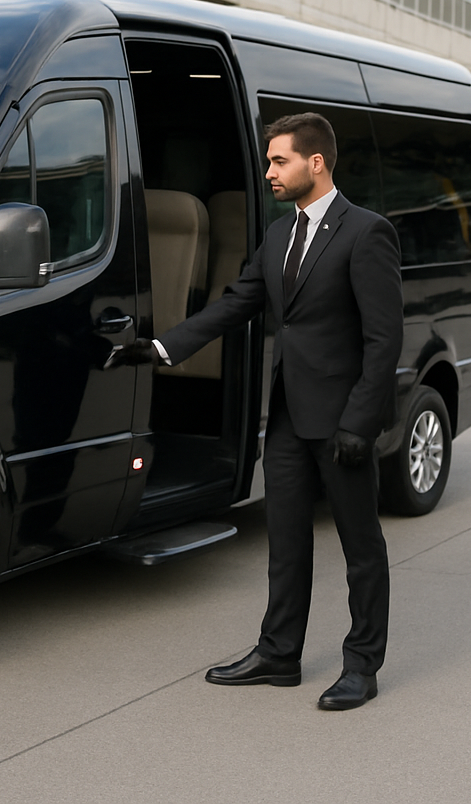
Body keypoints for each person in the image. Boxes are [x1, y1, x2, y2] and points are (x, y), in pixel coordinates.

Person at [107, 112, 403, 710]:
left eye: (279, 160)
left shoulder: (366, 233)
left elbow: (384, 340)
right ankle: (279, 655)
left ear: (315, 163)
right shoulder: (277, 235)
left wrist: (359, 423)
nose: (268, 171)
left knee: (360, 548)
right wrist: (161, 346)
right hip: (290, 418)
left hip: (342, 422)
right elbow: (235, 304)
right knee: (286, 543)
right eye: (269, 160)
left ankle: (362, 665)